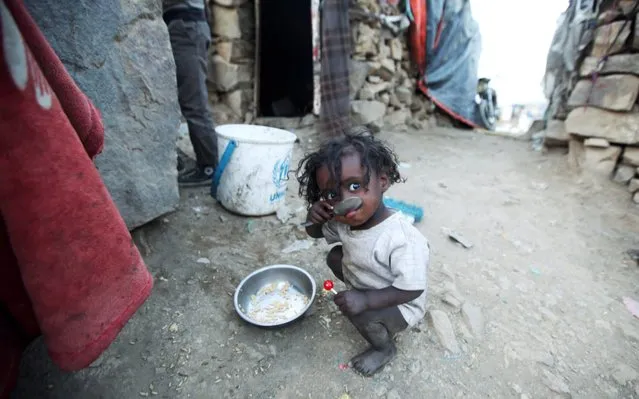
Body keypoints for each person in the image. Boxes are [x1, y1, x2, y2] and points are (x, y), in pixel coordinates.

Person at [296, 129, 430, 376]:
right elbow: (316, 234)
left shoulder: (401, 237)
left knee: (362, 315)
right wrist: (313, 218)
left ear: (382, 181)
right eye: (333, 194)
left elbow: (413, 288)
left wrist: (366, 301)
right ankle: (363, 298)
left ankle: (384, 349)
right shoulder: (345, 222)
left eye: (355, 185)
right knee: (334, 256)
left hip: (400, 302)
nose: (346, 201)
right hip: (371, 282)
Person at [163, 0, 218, 186]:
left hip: (185, 25)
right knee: (187, 100)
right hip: (183, 25)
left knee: (194, 103)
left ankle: (209, 167)